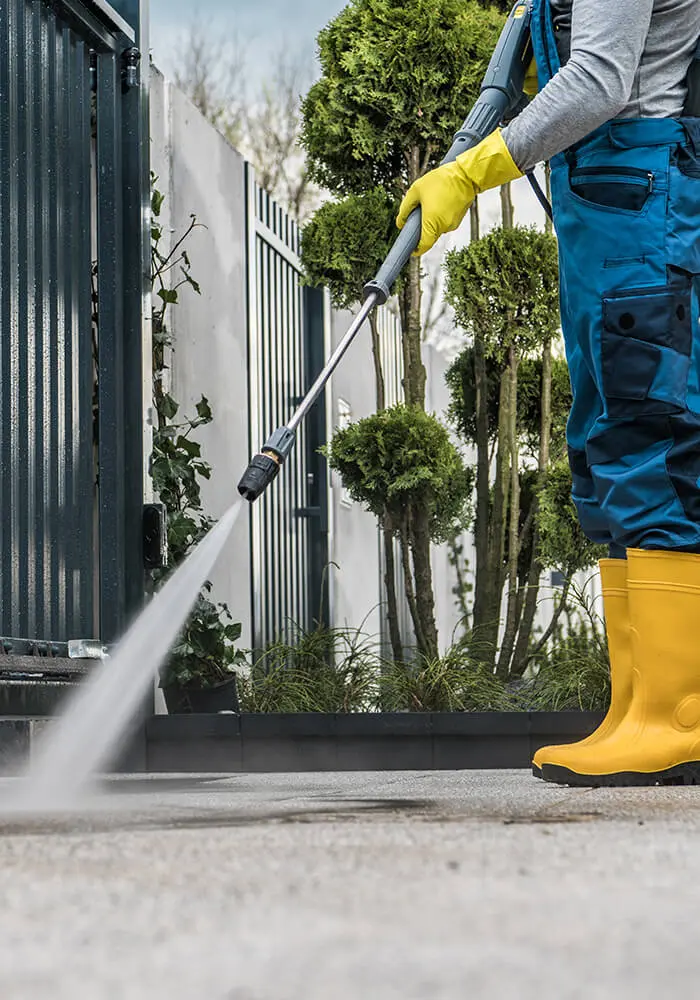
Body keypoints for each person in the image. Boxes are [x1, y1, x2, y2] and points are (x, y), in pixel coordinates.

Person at [397, 0, 700, 786]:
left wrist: (471, 170)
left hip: (643, 206)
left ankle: (677, 717)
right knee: (605, 451)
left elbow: (599, 80)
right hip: (610, 207)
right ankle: (635, 710)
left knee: (650, 441)